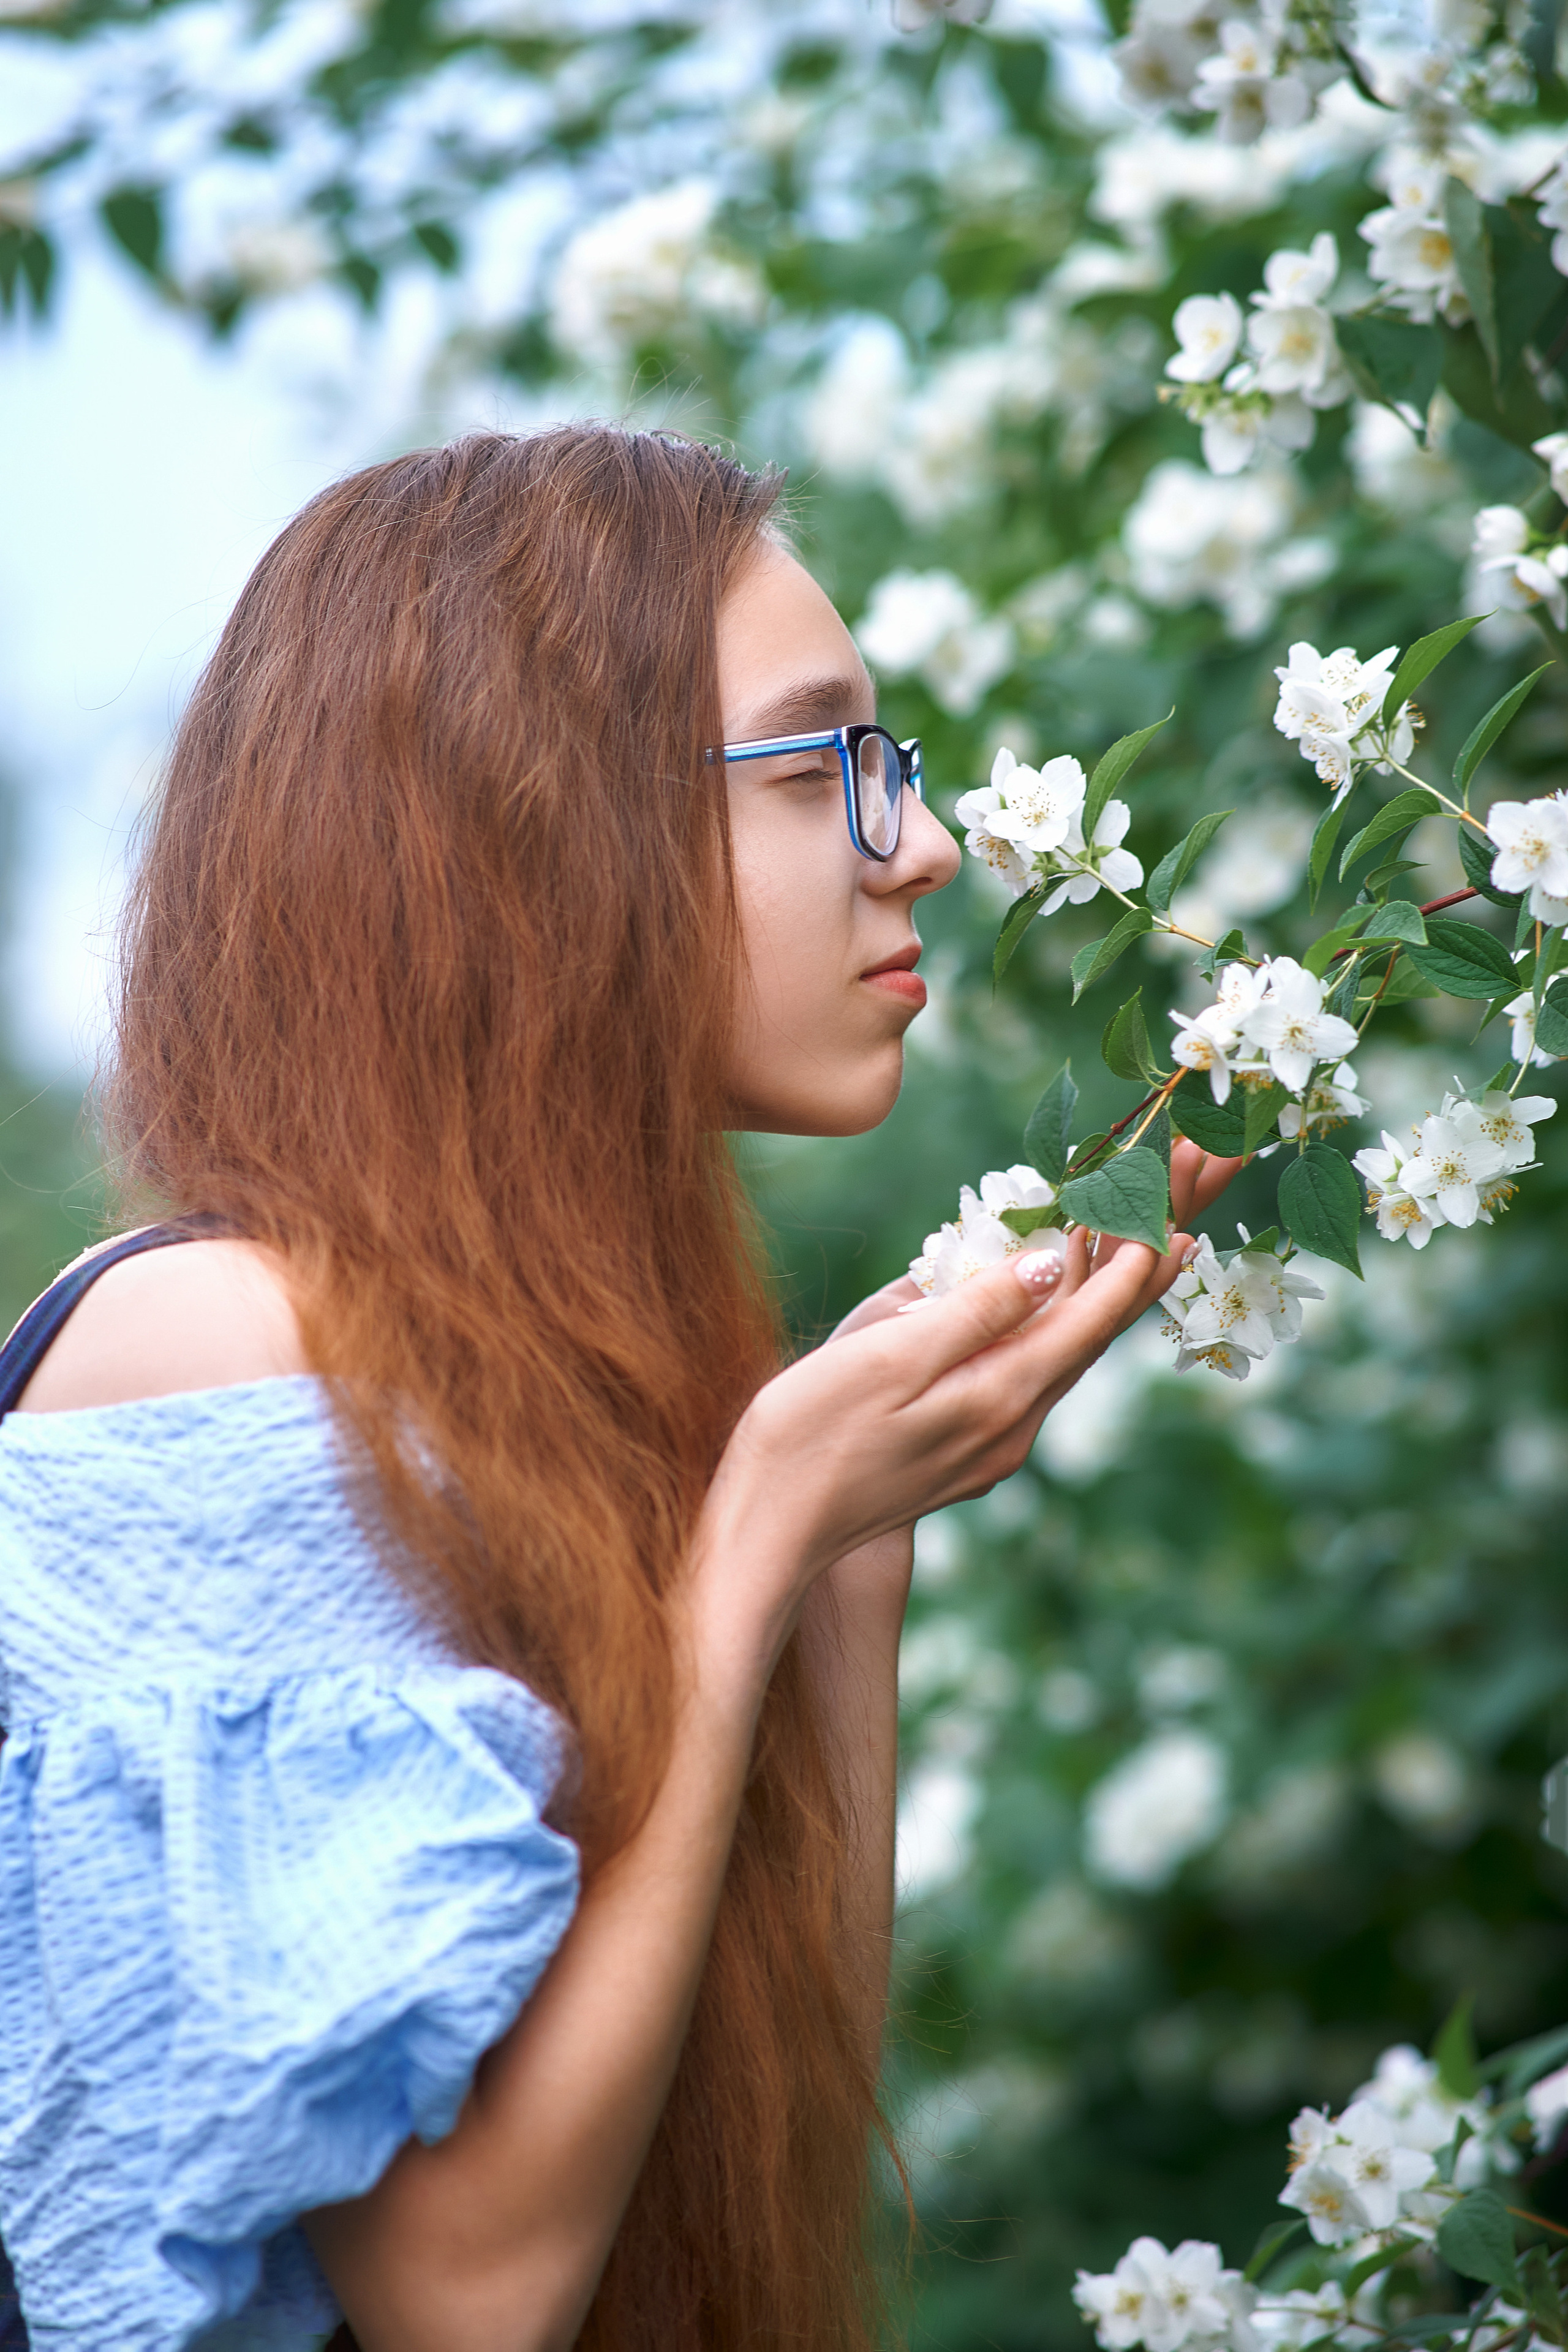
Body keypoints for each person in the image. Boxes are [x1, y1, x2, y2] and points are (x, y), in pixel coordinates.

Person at [0, 426, 1237, 2352]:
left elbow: (737, 2202)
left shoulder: (560, 1391)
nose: (921, 841)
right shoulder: (221, 1343)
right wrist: (752, 1540)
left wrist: (850, 1552)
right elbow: (468, 2298)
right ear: (530, 818)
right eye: (826, 760)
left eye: (886, 766)